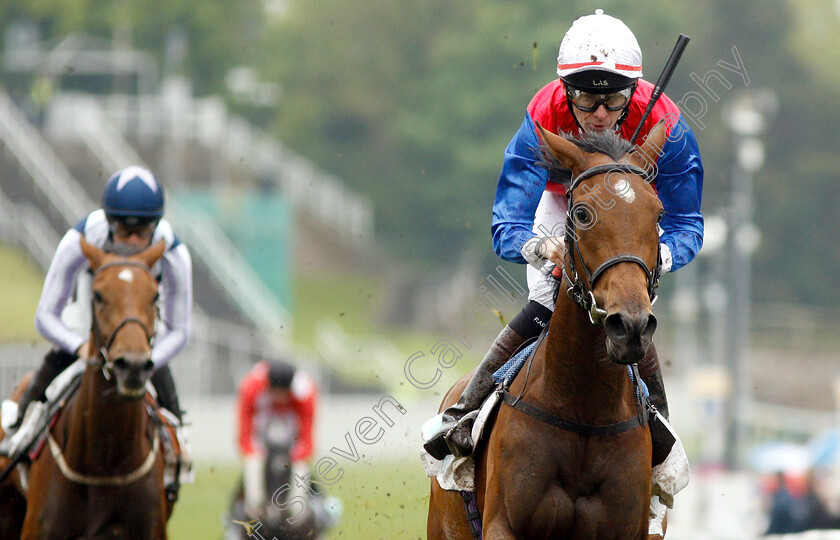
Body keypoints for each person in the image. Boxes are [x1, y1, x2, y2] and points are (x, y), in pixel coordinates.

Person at [424, 9, 704, 459]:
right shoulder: (544, 116)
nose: (599, 113)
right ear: (564, 90)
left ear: (634, 90)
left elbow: (687, 223)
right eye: (586, 99)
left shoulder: (668, 126)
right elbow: (507, 223)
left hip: (631, 219)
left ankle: (660, 442)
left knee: (633, 308)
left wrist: (660, 255)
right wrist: (540, 247)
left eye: (614, 101)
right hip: (565, 205)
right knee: (549, 297)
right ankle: (465, 412)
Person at [8, 166, 192, 434]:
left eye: (142, 232)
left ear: (156, 226)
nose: (132, 241)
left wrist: (152, 357)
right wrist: (79, 345)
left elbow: (179, 331)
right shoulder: (80, 239)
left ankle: (180, 447)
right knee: (48, 373)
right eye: (123, 230)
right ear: (108, 223)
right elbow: (45, 316)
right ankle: (17, 429)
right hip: (88, 316)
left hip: (141, 332)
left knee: (174, 419)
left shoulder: (175, 255)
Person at [236, 359, 317, 519]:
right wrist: (257, 454)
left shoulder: (305, 392)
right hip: (261, 436)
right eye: (276, 393)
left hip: (292, 439)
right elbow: (245, 435)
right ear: (268, 387)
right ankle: (254, 513)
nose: (279, 398)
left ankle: (297, 515)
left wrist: (293, 458)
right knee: (253, 465)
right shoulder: (251, 387)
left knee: (301, 470)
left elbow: (307, 440)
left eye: (283, 394)